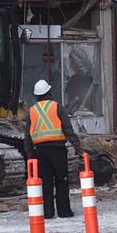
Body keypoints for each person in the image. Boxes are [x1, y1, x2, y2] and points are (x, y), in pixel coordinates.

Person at [24, 79, 83, 218]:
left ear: (36, 96)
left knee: (46, 182)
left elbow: (27, 136)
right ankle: (64, 212)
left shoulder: (32, 111)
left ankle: (47, 212)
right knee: (61, 180)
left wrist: (30, 154)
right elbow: (68, 129)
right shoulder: (57, 107)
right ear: (49, 93)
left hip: (40, 151)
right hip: (57, 149)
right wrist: (78, 148)